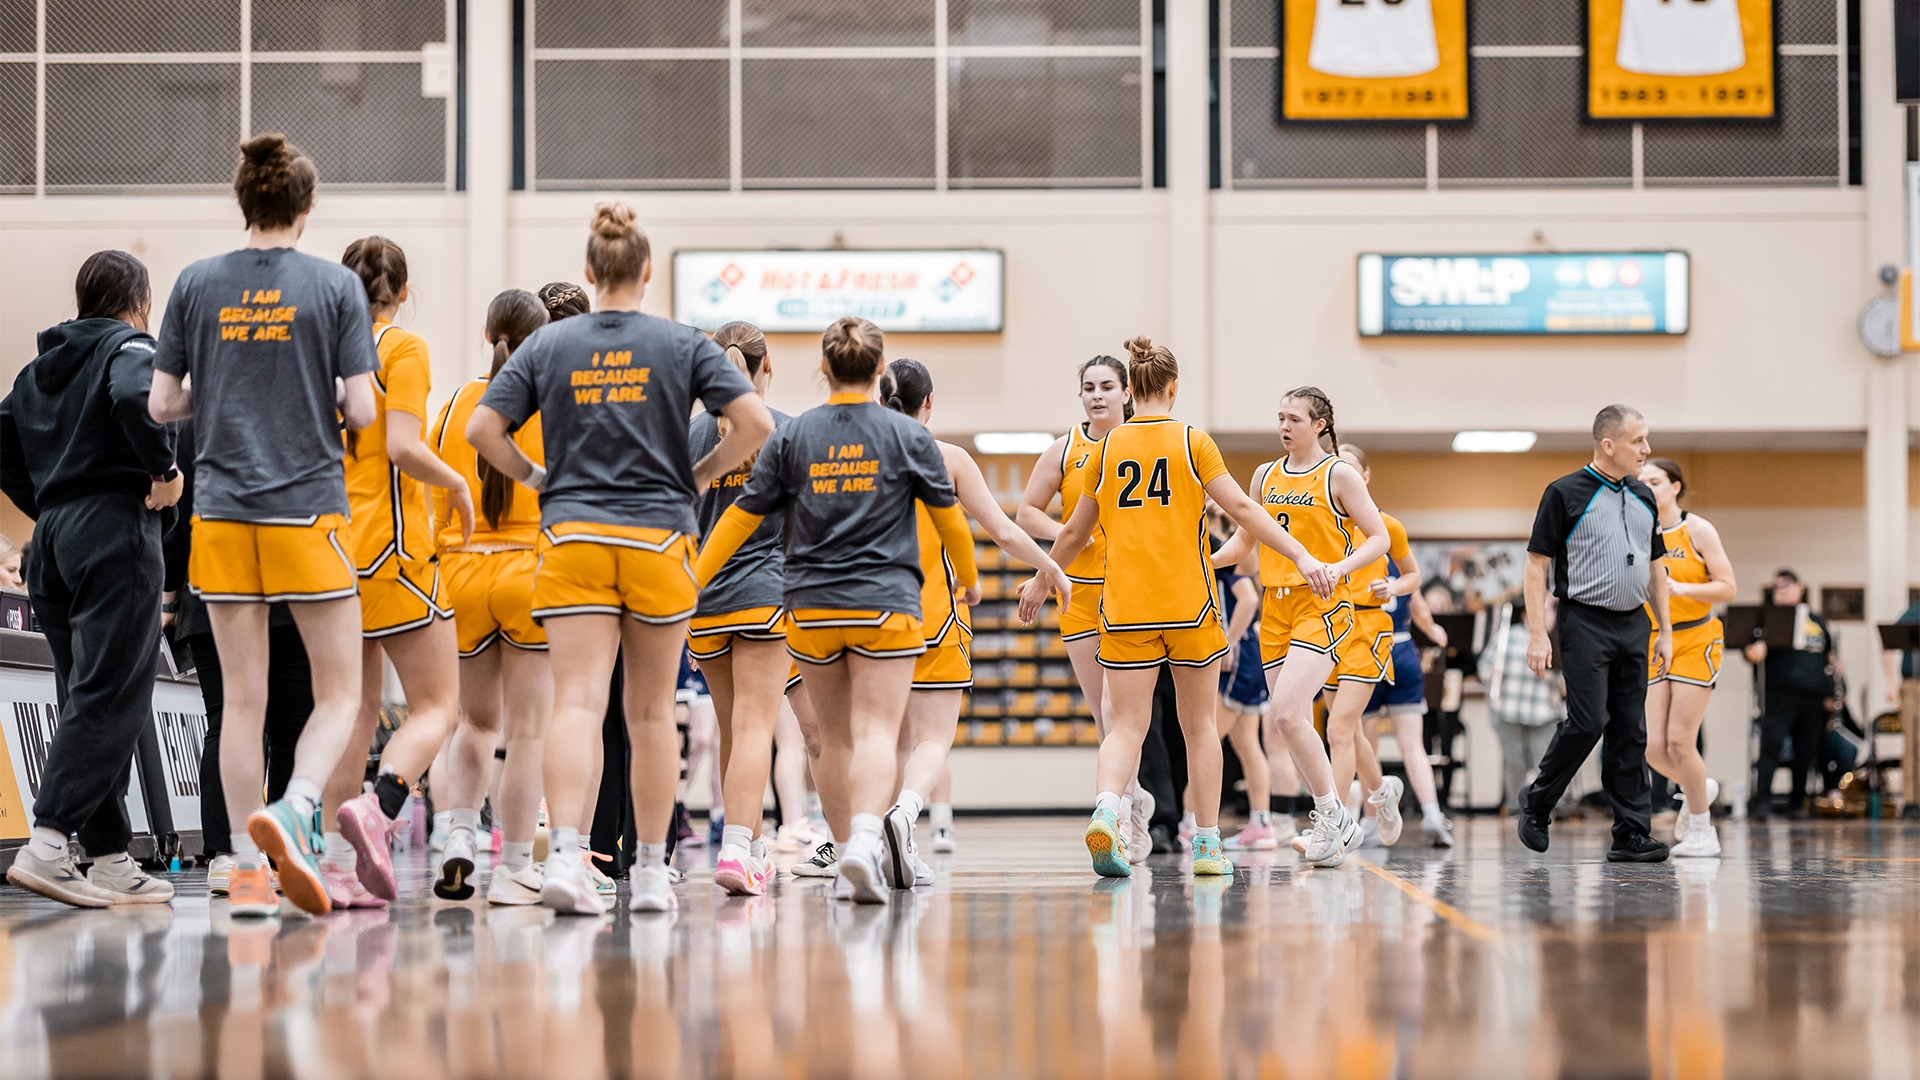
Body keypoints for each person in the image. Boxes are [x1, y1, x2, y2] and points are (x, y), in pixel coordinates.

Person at [470, 202, 774, 915]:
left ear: (588, 272)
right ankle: (647, 874)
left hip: (572, 537)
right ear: (646, 271)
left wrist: (538, 478)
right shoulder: (681, 343)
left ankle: (570, 861)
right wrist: (694, 478)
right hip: (657, 540)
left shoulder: (550, 346)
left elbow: (485, 428)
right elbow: (755, 422)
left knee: (575, 703)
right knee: (647, 714)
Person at [149, 133, 381, 917]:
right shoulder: (335, 288)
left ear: (244, 201)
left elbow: (161, 405)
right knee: (341, 692)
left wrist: (215, 395)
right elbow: (362, 409)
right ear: (306, 209)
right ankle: (298, 802)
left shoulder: (195, 283)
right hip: (305, 510)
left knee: (239, 705)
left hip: (219, 516)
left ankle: (245, 874)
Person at [1027, 342, 1341, 879]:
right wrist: (1300, 552)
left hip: (1124, 606)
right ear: (1173, 388)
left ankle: (1108, 808)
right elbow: (1242, 508)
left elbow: (1075, 532)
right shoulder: (1193, 440)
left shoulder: (1103, 448)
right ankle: (1209, 845)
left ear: (1131, 389)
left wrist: (1041, 578)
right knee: (1198, 728)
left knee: (1122, 724)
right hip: (1189, 605)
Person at [695, 317, 976, 904]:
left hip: (800, 608)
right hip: (875, 604)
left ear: (822, 369)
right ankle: (861, 845)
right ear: (880, 372)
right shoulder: (903, 438)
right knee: (872, 732)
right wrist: (968, 579)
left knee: (816, 736)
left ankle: (821, 838)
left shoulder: (797, 435)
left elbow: (740, 516)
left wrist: (693, 579)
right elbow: (950, 517)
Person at [0, 249, 182, 908]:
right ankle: (48, 842)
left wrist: (49, 499)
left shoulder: (36, 370)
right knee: (111, 697)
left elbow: (1, 445)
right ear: (139, 301)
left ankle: (107, 857)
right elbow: (139, 396)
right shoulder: (131, 345)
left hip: (50, 541)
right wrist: (162, 472)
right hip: (114, 531)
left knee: (86, 694)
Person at [314, 236, 476, 908]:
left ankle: (332, 865)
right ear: (403, 293)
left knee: (350, 709)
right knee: (441, 705)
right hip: (394, 551)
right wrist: (458, 485)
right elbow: (404, 447)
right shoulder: (402, 349)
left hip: (332, 546)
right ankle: (379, 808)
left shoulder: (321, 354)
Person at [879, 358, 1072, 888]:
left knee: (883, 742)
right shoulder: (948, 458)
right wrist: (1050, 566)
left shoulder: (857, 457)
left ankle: (873, 839)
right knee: (932, 740)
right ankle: (908, 813)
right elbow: (1005, 533)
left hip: (867, 616)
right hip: (934, 615)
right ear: (930, 403)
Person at [1208, 388, 1390, 868]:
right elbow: (1245, 542)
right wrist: (1205, 562)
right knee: (1289, 723)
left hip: (1323, 605)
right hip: (1276, 609)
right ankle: (1334, 815)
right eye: (1280, 418)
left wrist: (1342, 567)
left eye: (1294, 418)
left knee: (1288, 714)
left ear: (1320, 424)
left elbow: (1380, 538)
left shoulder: (1340, 474)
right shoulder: (1264, 475)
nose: (1284, 426)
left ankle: (1333, 815)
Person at [427, 288, 552, 905]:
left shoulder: (454, 405)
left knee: (474, 722)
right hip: (531, 572)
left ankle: (457, 837)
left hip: (460, 572)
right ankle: (518, 866)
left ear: (487, 333)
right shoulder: (555, 404)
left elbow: (426, 491)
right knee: (529, 730)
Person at [1515, 404, 1672, 862]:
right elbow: (1536, 565)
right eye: (1637, 440)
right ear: (1608, 445)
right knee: (1588, 723)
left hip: (1634, 622)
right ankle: (1538, 802)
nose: (1647, 449)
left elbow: (1657, 567)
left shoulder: (1644, 495)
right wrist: (1538, 634)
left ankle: (1630, 833)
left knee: (1631, 729)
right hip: (1584, 621)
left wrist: (1663, 629)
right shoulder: (1565, 493)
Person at [165, 420, 315, 896]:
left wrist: (169, 595)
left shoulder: (191, 418)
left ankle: (228, 854)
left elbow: (177, 510)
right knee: (291, 725)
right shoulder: (296, 400)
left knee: (229, 718)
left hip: (211, 585)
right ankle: (279, 853)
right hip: (290, 589)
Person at [1017, 357, 1157, 862]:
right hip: (1077, 590)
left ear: (1127, 394)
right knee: (1104, 712)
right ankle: (1131, 799)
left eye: (1106, 387)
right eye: (1088, 388)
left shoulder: (1141, 445)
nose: (1097, 396)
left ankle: (1123, 813)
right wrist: (1068, 536)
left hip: (1132, 591)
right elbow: (1027, 511)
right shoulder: (1065, 449)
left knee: (1124, 713)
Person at [1639, 458, 1735, 857]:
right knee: (1652, 746)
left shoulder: (1696, 529)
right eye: (1641, 481)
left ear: (1675, 486)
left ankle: (1702, 831)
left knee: (1681, 739)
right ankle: (1700, 787)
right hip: (1654, 639)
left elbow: (1728, 587)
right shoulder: (1639, 530)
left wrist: (1682, 589)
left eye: (1656, 480)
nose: (1648, 486)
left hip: (1696, 636)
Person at [1206, 505, 1281, 851]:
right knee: (1246, 743)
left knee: (1205, 738)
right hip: (1250, 651)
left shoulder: (1217, 549)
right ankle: (1260, 823)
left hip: (1237, 655)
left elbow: (1249, 599)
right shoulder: (1227, 546)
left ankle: (1192, 824)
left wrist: (1227, 643)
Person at [1742, 569, 1835, 820]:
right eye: (1777, 587)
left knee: (1806, 751)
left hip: (1813, 696)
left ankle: (1797, 804)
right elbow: (1750, 652)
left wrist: (1831, 691)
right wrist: (1754, 652)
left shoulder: (1816, 619)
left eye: (1786, 585)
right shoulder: (1767, 619)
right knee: (1770, 747)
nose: (1781, 591)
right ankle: (1761, 804)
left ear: (1800, 587)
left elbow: (1829, 657)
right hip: (1779, 694)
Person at [1479, 600, 1567, 814]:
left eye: (1550, 611)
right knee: (1513, 762)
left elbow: (1566, 686)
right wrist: (1489, 675)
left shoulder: (1559, 640)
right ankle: (1515, 807)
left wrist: (1552, 676)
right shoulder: (1507, 636)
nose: (1547, 616)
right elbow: (1484, 665)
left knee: (1544, 763)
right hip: (1509, 709)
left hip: (1544, 712)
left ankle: (1545, 807)